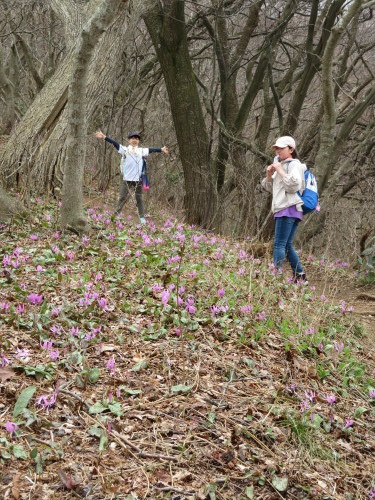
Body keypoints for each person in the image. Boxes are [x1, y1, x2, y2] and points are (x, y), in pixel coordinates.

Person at [95, 130, 169, 223]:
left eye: (137, 139)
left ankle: (142, 218)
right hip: (126, 180)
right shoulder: (125, 150)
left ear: (139, 141)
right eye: (133, 138)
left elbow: (151, 149)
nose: (135, 140)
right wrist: (104, 137)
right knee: (122, 197)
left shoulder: (142, 151)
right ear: (128, 140)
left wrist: (161, 149)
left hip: (138, 180)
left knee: (139, 198)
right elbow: (115, 143)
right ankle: (116, 215)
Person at [261, 135, 307, 283]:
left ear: (291, 149)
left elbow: (294, 185)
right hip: (287, 208)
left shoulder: (294, 164)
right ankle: (300, 275)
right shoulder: (281, 164)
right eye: (276, 149)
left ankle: (277, 276)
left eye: (281, 148)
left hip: (288, 207)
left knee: (279, 244)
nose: (278, 152)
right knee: (286, 245)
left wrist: (280, 170)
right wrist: (269, 175)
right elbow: (269, 188)